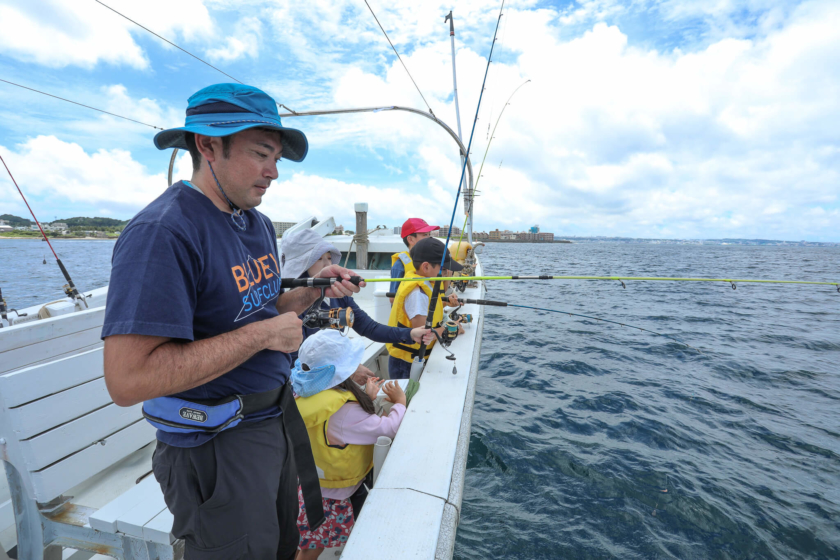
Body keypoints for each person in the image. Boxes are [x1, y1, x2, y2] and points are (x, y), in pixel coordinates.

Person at [101, 83, 362, 560]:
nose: (274, 172)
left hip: (273, 423)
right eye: (262, 154)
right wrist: (264, 334)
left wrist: (310, 288)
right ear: (207, 145)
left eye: (277, 158)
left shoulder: (256, 222)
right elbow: (127, 379)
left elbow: (258, 314)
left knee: (280, 548)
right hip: (216, 446)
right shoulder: (162, 233)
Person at [292, 330, 407, 558]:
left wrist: (367, 397)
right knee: (313, 548)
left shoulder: (307, 395)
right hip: (333, 495)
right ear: (343, 373)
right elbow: (388, 429)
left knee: (308, 542)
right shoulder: (346, 412)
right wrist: (400, 403)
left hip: (309, 486)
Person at [282, 229, 434, 379]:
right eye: (319, 259)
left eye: (329, 258)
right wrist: (347, 369)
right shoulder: (291, 305)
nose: (327, 265)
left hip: (334, 377)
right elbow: (298, 362)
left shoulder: (339, 295)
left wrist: (410, 334)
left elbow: (369, 327)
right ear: (302, 265)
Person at [386, 237, 465, 379]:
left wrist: (446, 303)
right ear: (426, 267)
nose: (447, 274)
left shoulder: (425, 283)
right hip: (406, 364)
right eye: (444, 270)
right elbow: (422, 335)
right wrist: (452, 328)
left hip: (413, 359)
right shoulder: (417, 294)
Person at [389, 218, 440, 302]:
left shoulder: (432, 263)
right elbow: (393, 298)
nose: (429, 238)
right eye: (425, 235)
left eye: (429, 234)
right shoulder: (399, 266)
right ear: (411, 240)